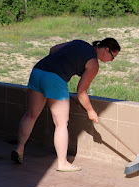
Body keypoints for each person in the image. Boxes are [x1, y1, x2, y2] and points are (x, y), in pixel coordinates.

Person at [11, 38, 121, 172]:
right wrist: (90, 111)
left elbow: (53, 49)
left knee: (31, 115)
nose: (111, 61)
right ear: (105, 49)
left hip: (38, 71)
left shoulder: (80, 43)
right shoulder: (94, 64)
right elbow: (81, 91)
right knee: (61, 123)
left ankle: (19, 149)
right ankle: (62, 163)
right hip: (55, 78)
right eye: (112, 57)